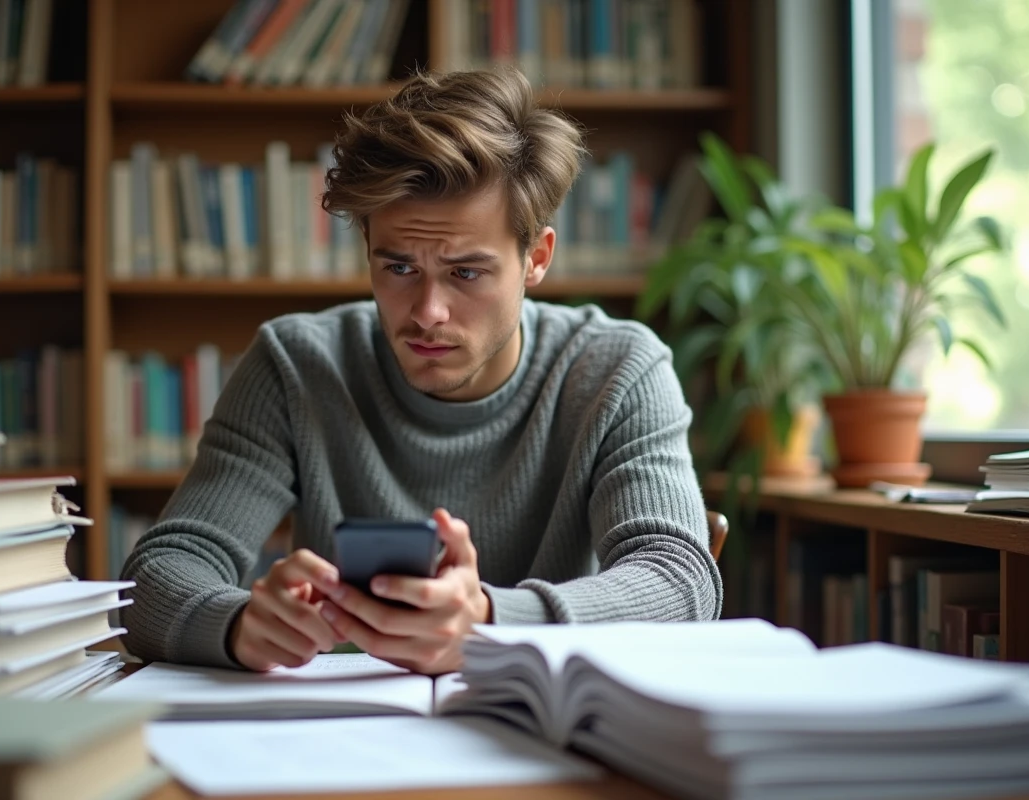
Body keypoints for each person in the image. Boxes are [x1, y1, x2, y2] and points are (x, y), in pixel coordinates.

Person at [120, 68, 721, 676]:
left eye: (466, 272)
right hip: (338, 735)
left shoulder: (618, 371)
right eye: (400, 268)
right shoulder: (297, 365)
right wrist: (237, 624)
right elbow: (155, 577)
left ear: (535, 258)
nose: (428, 314)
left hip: (549, 732)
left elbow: (678, 580)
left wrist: (489, 619)